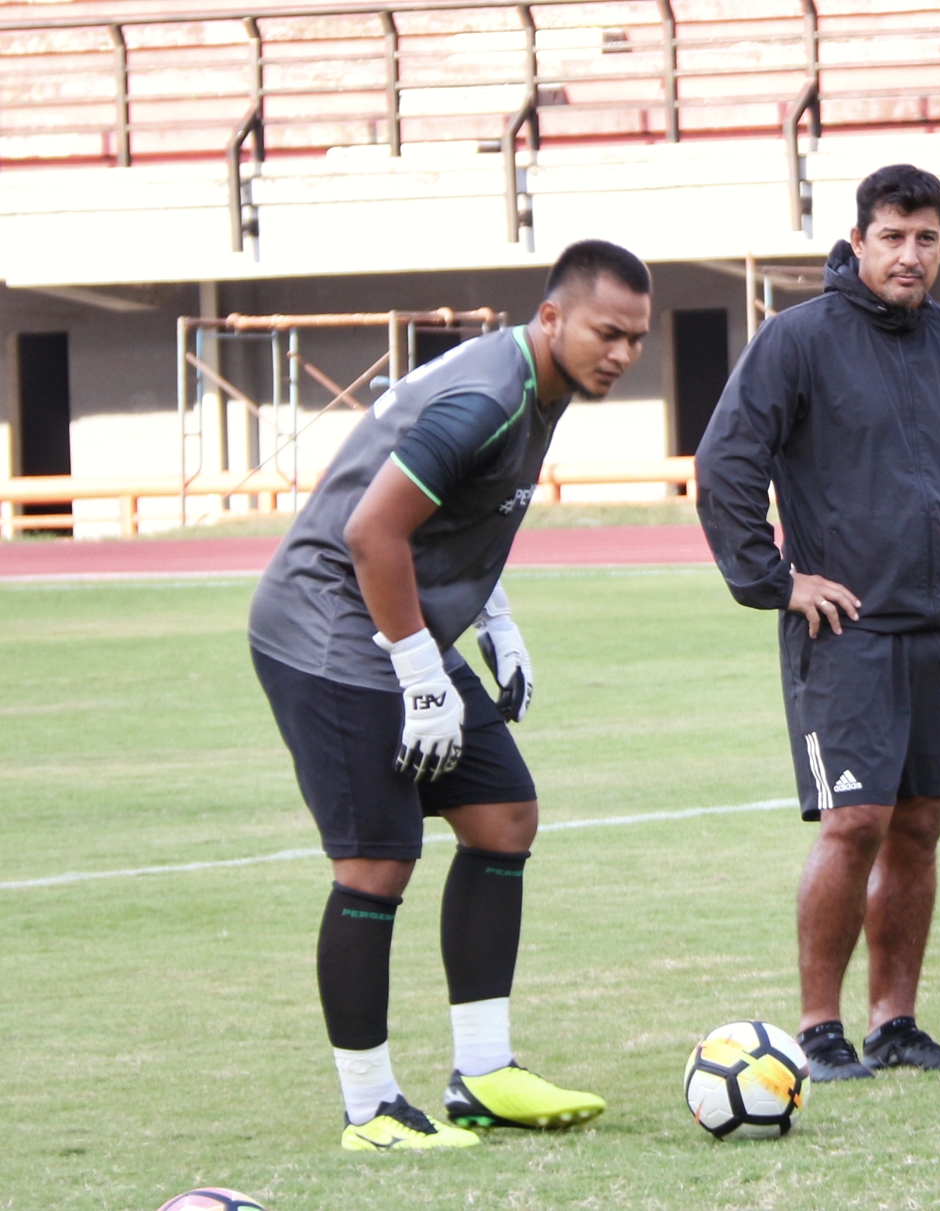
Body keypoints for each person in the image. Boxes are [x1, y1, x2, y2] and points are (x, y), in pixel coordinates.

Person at [248, 240, 652, 1150]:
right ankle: (370, 1108)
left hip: (397, 625)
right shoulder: (489, 394)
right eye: (606, 332)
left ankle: (482, 1071)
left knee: (504, 815)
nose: (621, 354)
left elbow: (460, 514)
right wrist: (423, 674)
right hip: (332, 629)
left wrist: (495, 618)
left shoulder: (537, 383)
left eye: (636, 338)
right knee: (376, 862)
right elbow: (371, 529)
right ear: (552, 317)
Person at [696, 164, 940, 1082]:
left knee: (920, 825)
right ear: (858, 243)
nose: (909, 253)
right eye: (891, 235)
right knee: (854, 821)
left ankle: (896, 1023)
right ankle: (820, 1031)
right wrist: (774, 580)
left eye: (926, 237)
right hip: (846, 633)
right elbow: (727, 460)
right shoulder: (797, 341)